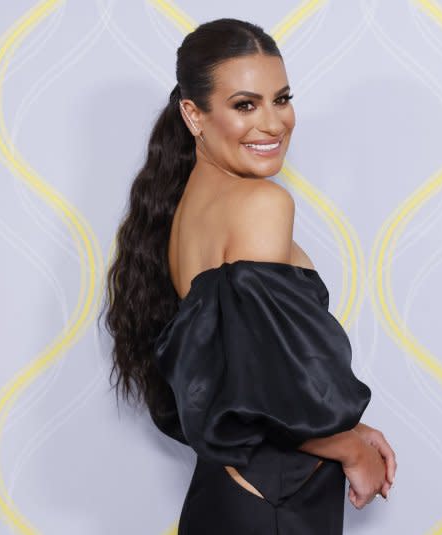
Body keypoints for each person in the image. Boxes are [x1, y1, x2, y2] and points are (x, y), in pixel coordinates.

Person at [101, 17, 397, 534]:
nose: (274, 123)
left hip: (231, 494)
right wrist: (349, 447)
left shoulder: (187, 204)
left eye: (281, 99)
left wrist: (350, 426)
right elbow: (257, 389)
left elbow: (238, 370)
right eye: (245, 105)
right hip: (274, 504)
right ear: (193, 115)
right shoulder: (262, 204)